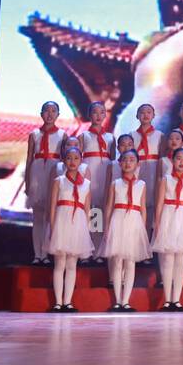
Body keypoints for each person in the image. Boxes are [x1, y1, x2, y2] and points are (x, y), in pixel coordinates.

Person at [47, 143, 93, 312]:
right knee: (60, 263)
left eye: (76, 158)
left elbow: (87, 209)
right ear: (63, 161)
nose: (72, 161)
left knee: (72, 264)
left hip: (77, 224)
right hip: (61, 222)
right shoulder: (59, 181)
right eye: (69, 158)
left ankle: (68, 301)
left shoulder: (86, 184)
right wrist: (52, 228)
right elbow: (52, 207)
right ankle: (58, 302)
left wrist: (86, 231)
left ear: (81, 161)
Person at [103, 149, 149, 311]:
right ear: (120, 163)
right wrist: (107, 228)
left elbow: (143, 208)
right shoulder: (115, 184)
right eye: (125, 160)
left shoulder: (141, 184)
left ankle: (126, 300)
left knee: (130, 262)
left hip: (133, 222)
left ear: (137, 164)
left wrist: (141, 229)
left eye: (132, 160)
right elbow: (108, 207)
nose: (128, 163)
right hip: (118, 220)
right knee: (117, 262)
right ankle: (117, 299)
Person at [152, 144, 183, 311]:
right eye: (178, 158)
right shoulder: (166, 179)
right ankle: (167, 299)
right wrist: (157, 224)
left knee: (180, 261)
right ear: (172, 160)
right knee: (168, 259)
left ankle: (176, 299)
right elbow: (159, 204)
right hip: (169, 217)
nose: (182, 162)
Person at [25, 101, 66, 265]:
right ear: (41, 114)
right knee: (38, 217)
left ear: (58, 114)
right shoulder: (34, 134)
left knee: (51, 215)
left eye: (53, 111)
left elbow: (64, 159)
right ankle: (38, 254)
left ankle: (47, 252)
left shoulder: (63, 135)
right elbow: (29, 159)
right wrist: (27, 181)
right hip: (37, 172)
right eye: (46, 111)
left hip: (54, 171)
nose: (50, 114)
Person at [78, 102, 114, 261]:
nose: (98, 116)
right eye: (95, 113)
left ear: (105, 115)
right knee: (86, 211)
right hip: (88, 174)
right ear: (89, 115)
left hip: (103, 174)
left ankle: (98, 249)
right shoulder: (83, 136)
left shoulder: (110, 138)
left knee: (98, 213)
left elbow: (113, 160)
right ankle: (84, 250)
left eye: (101, 113)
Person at [130, 103, 164, 229]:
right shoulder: (132, 135)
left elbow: (162, 157)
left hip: (153, 172)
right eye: (142, 112)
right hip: (137, 172)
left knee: (153, 205)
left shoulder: (160, 135)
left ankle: (149, 241)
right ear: (137, 115)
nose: (145, 115)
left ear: (153, 115)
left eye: (149, 112)